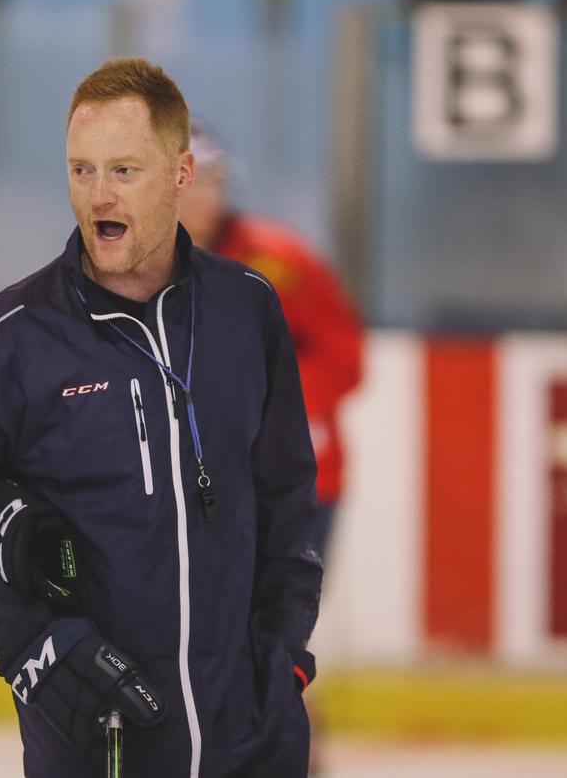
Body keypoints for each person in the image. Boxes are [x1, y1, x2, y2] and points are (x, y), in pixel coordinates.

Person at [0, 57, 325, 778]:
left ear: (180, 174)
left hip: (253, 743)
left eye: (123, 170)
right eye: (81, 170)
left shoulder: (247, 308)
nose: (98, 195)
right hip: (102, 747)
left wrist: (283, 661)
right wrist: (29, 646)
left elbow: (287, 496)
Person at [178, 123, 363, 776]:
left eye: (209, 181)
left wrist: (267, 403)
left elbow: (346, 356)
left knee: (272, 629)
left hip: (301, 487)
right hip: (208, 489)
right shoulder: (143, 271)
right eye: (185, 181)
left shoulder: (280, 260)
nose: (198, 197)